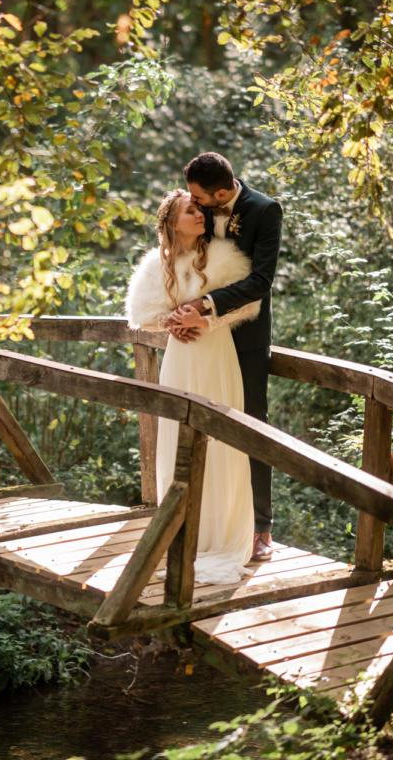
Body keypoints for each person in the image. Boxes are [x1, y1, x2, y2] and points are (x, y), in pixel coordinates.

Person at [125, 189, 261, 584]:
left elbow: (249, 304)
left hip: (218, 357)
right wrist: (172, 322)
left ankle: (224, 537)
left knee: (222, 444)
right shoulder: (156, 265)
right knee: (177, 439)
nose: (199, 215)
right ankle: (182, 529)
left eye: (199, 209)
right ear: (171, 222)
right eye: (190, 210)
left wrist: (207, 321)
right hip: (180, 362)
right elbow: (140, 316)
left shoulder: (222, 256)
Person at [167, 152, 282, 562]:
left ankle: (260, 528)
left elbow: (260, 281)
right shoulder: (199, 211)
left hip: (244, 338)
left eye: (199, 198)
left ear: (221, 192)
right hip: (199, 346)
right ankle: (207, 521)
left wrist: (205, 305)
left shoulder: (264, 211)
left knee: (251, 429)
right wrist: (176, 316)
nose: (194, 204)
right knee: (199, 429)